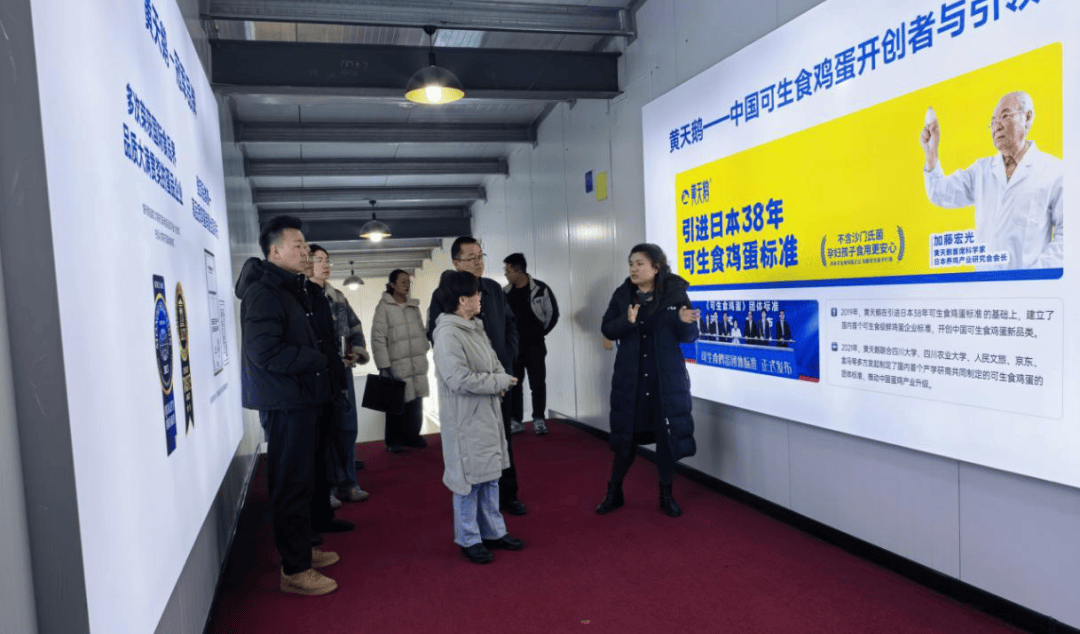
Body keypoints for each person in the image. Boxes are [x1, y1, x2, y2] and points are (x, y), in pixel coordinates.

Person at [234, 215, 341, 596]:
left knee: (304, 480)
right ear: (275, 252)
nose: (306, 251)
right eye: (298, 246)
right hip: (286, 403)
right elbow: (264, 352)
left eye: (306, 245)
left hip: (302, 398)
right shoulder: (264, 292)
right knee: (290, 485)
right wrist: (316, 360)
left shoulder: (289, 288)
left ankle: (302, 552)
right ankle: (294, 570)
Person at [597, 243, 699, 517]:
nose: (633, 268)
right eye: (631, 263)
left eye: (639, 263)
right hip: (632, 380)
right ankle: (614, 491)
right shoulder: (623, 294)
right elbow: (607, 328)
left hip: (664, 380)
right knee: (626, 439)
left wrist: (685, 321)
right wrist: (627, 321)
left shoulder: (675, 294)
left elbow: (690, 336)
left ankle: (666, 495)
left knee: (666, 438)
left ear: (656, 266)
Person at [432, 270, 525, 564]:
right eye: (475, 293)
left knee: (490, 478)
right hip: (466, 419)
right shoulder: (447, 333)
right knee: (468, 483)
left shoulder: (475, 326)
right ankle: (469, 538)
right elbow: (458, 379)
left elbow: (494, 363)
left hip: (486, 414)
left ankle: (494, 531)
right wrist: (497, 382)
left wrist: (499, 378)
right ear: (463, 300)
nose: (480, 297)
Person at [921, 90, 1063, 270]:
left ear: (1027, 117)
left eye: (1005, 116)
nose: (997, 126)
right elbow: (940, 193)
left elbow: (1068, 236)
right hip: (985, 284)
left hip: (1031, 285)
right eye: (993, 121)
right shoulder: (981, 171)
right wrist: (931, 153)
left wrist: (1035, 276)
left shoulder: (1053, 170)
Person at [308, 244, 371, 503]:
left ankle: (348, 483)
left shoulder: (338, 297)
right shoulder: (302, 297)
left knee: (347, 428)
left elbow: (355, 328)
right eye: (319, 260)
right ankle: (328, 489)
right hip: (317, 375)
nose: (325, 265)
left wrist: (356, 352)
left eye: (327, 260)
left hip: (342, 372)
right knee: (323, 431)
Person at [371, 269, 430, 453]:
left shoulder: (413, 306)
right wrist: (384, 365)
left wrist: (424, 347)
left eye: (408, 282)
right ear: (392, 284)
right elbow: (378, 337)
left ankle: (412, 436)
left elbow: (421, 330)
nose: (407, 285)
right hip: (396, 362)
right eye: (403, 281)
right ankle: (393, 441)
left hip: (416, 361)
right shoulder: (384, 307)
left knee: (416, 401)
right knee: (395, 402)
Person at [502, 253, 560, 436]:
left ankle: (538, 419)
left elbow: (552, 314)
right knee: (515, 384)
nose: (505, 274)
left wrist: (540, 333)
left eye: (508, 270)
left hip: (535, 346)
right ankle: (516, 420)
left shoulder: (540, 289)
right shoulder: (505, 293)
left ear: (518, 270)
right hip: (514, 348)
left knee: (537, 383)